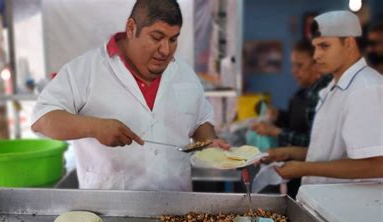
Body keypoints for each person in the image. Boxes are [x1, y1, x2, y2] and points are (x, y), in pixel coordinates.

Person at [31, 0, 228, 191]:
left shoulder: (183, 72)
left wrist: (210, 145)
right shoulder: (86, 70)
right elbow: (41, 120)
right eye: (157, 37)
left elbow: (200, 121)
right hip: (109, 213)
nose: (165, 50)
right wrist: (94, 127)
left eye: (173, 39)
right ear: (131, 28)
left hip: (177, 209)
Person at [265, 10, 383, 185]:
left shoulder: (365, 88)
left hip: (347, 209)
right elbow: (329, 153)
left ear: (349, 43)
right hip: (323, 202)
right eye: (315, 47)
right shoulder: (331, 88)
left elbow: (376, 166)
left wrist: (304, 168)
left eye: (324, 46)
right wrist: (287, 153)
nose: (316, 55)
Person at [252, 40, 331, 147]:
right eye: (293, 65)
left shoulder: (322, 94)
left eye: (299, 65)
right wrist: (278, 115)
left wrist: (276, 132)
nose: (294, 71)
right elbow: (295, 123)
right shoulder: (302, 92)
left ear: (316, 64)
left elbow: (314, 143)